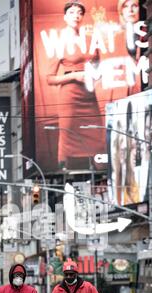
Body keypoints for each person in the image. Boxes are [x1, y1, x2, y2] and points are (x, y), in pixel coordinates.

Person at [46, 1, 104, 169]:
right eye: (72, 12)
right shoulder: (58, 41)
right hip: (69, 96)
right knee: (67, 134)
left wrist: (95, 76)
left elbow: (98, 65)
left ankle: (99, 168)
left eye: (79, 12)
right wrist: (74, 76)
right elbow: (50, 78)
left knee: (96, 133)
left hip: (89, 93)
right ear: (65, 17)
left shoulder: (90, 40)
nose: (76, 16)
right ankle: (64, 170)